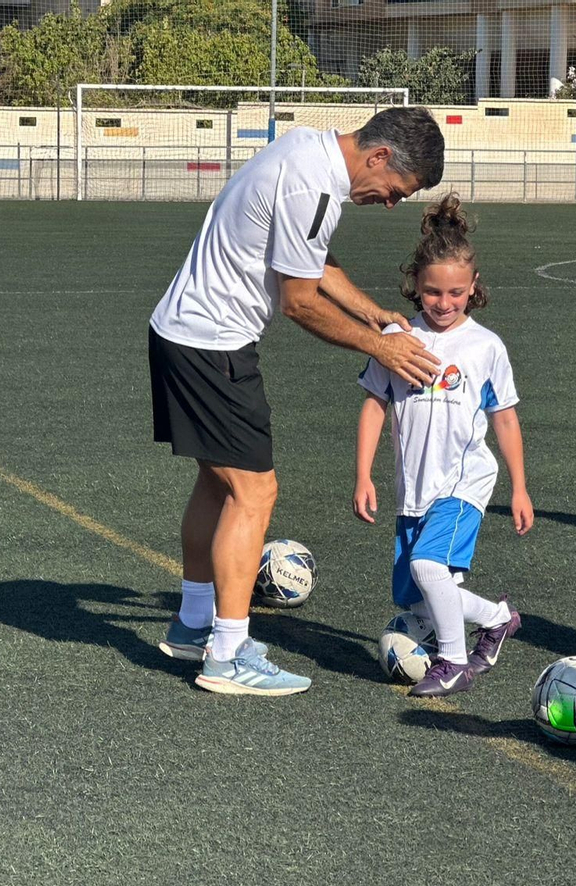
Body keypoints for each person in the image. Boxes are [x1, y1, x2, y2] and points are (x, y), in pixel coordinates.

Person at [148, 107, 446, 697]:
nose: (389, 204)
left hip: (181, 334)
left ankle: (192, 625)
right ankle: (227, 657)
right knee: (256, 491)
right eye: (394, 192)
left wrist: (371, 313)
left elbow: (310, 257)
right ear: (379, 156)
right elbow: (300, 301)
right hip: (214, 348)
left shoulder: (306, 149)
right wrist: (380, 349)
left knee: (220, 484)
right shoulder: (315, 185)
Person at [352, 194, 531, 699]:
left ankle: (454, 661)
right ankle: (497, 619)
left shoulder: (485, 346)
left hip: (464, 480)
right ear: (416, 286)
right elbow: (373, 405)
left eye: (456, 292)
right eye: (433, 292)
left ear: (473, 288)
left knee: (429, 568)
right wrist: (363, 475)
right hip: (415, 486)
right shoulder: (397, 337)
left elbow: (506, 419)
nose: (445, 303)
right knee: (419, 600)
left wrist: (519, 487)